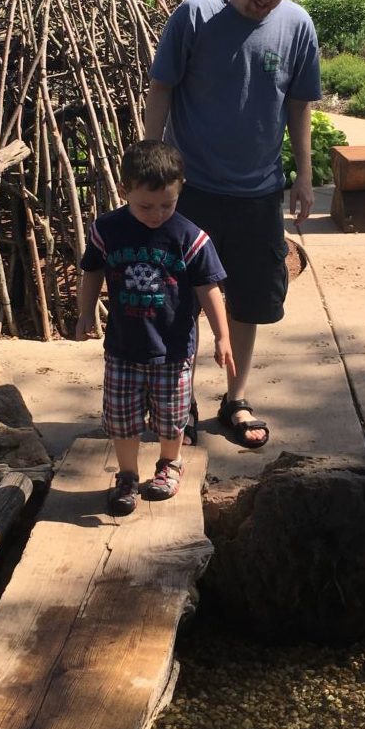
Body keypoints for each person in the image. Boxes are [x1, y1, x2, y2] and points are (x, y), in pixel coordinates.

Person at [143, 0, 320, 449]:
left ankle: (235, 399)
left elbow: (299, 105)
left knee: (250, 300)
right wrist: (149, 163)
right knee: (179, 300)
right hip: (190, 189)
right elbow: (162, 87)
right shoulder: (195, 13)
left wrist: (304, 174)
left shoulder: (297, 26)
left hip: (258, 191)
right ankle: (179, 401)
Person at [75, 139, 234, 516]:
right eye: (145, 205)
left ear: (181, 190)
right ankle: (127, 475)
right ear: (123, 190)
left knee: (171, 415)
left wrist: (223, 335)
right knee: (122, 416)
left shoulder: (189, 237)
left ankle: (169, 464)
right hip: (122, 347)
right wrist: (85, 313)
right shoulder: (107, 229)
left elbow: (209, 287)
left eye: (168, 204)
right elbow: (92, 271)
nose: (156, 214)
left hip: (174, 348)